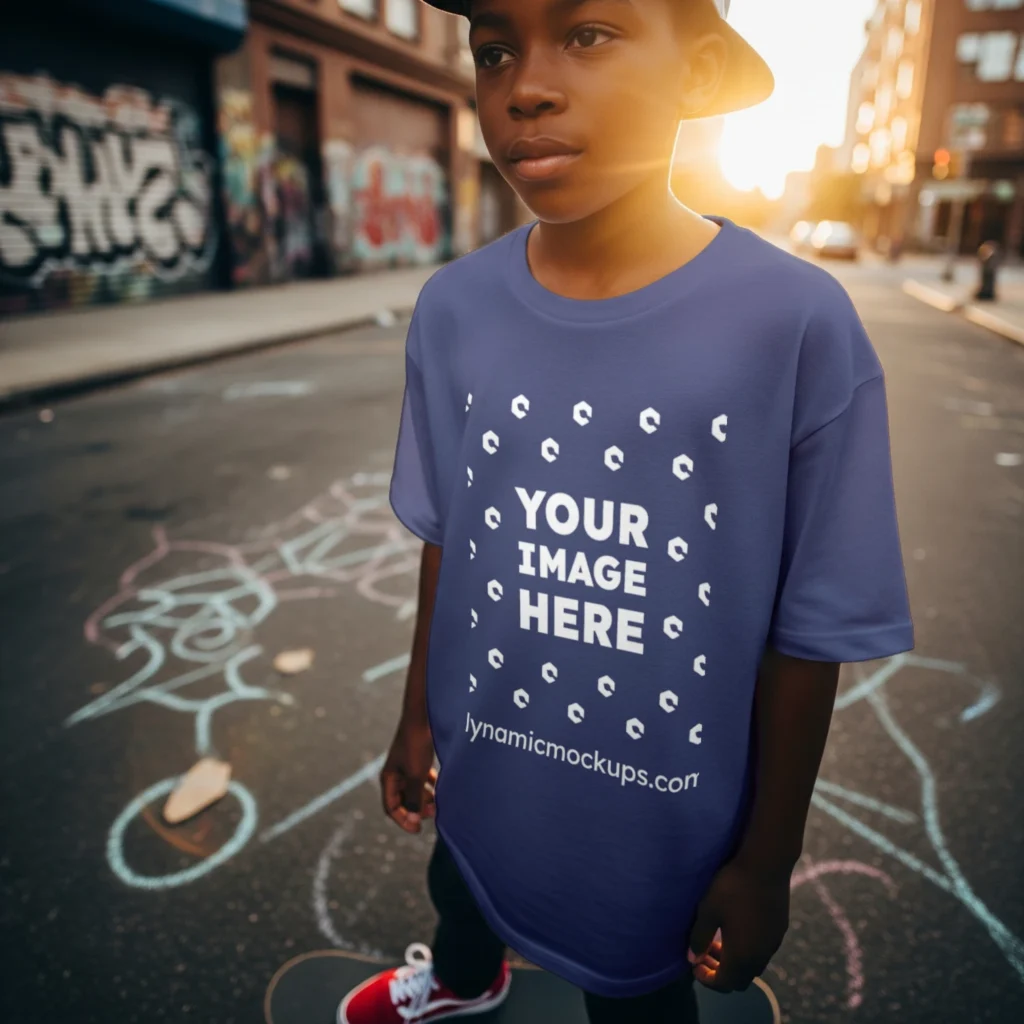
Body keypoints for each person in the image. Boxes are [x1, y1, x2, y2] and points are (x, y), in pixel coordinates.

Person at [337, 1, 915, 1022]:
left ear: (694, 74)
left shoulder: (791, 322)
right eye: (494, 48)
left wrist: (767, 857)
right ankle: (465, 983)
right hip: (484, 761)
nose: (525, 85)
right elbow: (450, 538)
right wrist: (419, 712)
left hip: (657, 824)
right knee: (460, 883)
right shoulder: (453, 309)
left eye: (588, 34)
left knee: (636, 995)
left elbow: (811, 624)